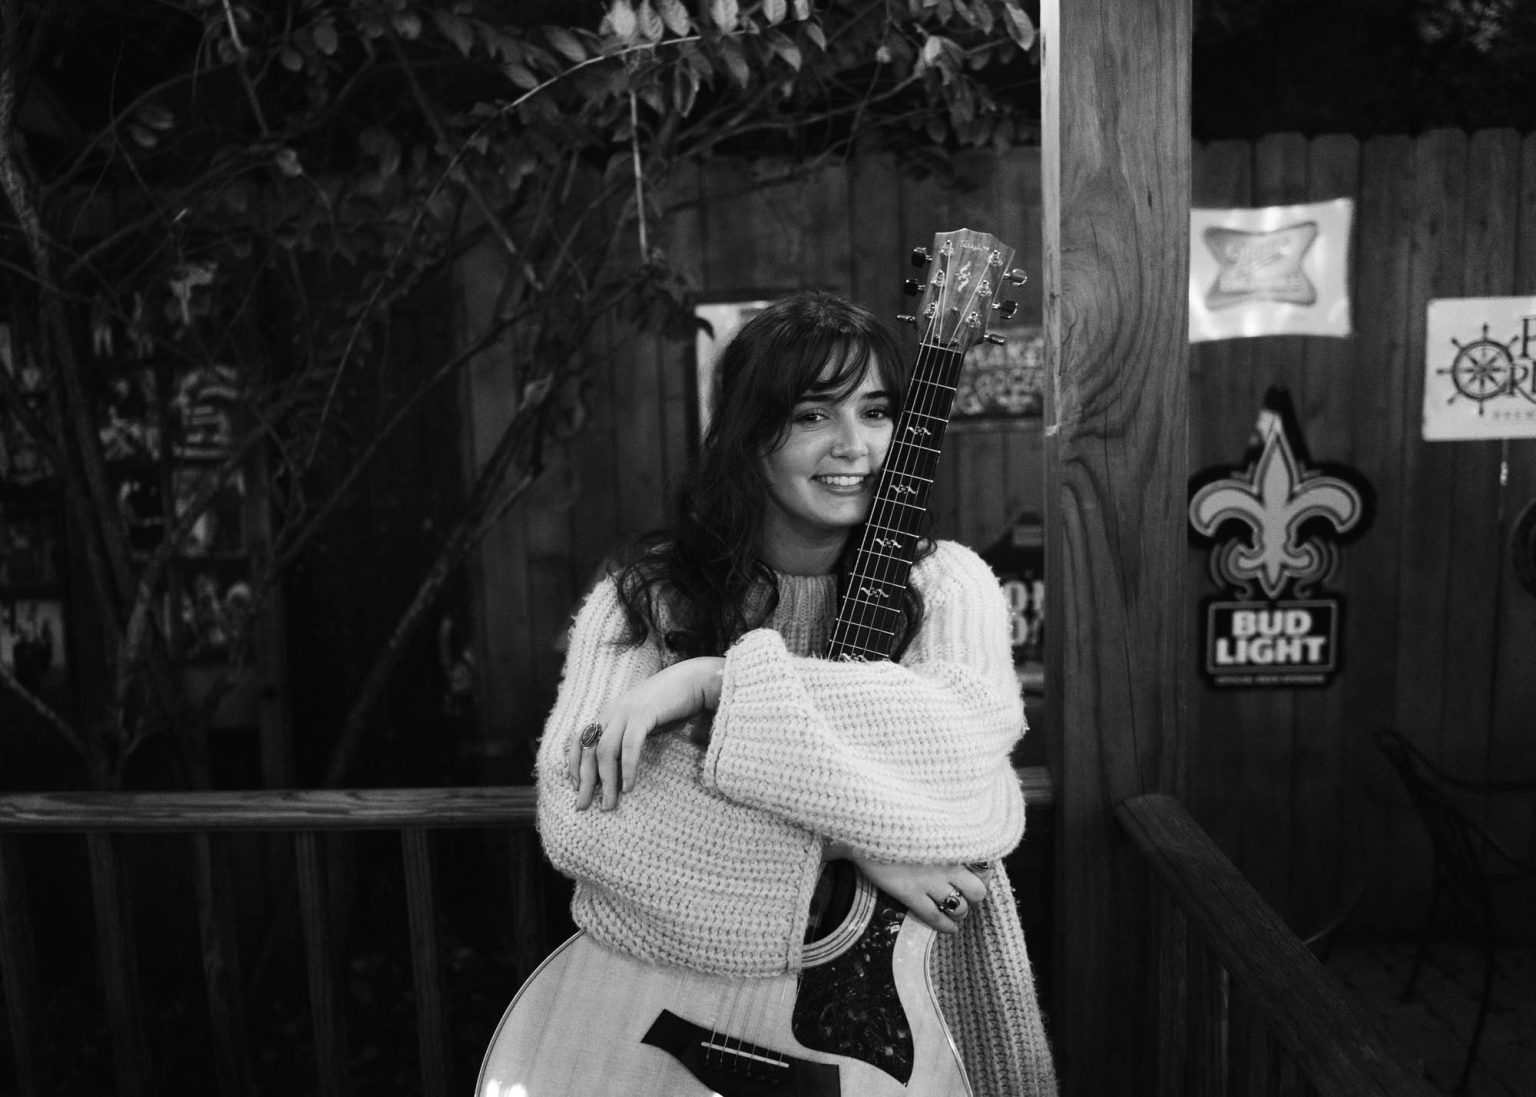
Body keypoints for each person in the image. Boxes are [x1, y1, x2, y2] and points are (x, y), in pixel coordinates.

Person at [535, 289, 1057, 1096]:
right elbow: (585, 815)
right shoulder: (646, 597)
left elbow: (958, 755)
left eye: (877, 411)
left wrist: (715, 685)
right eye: (814, 414)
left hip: (914, 1001)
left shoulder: (948, 585)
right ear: (750, 432)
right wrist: (858, 840)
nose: (855, 446)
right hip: (677, 1005)